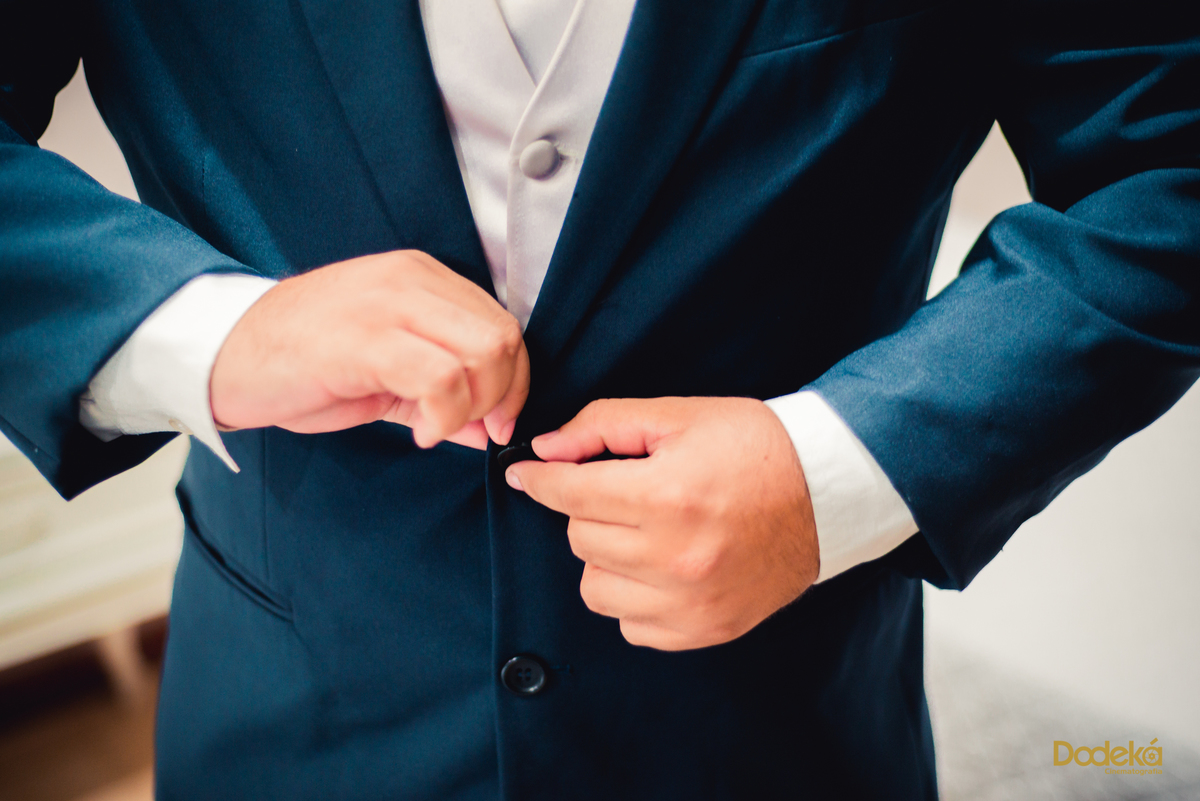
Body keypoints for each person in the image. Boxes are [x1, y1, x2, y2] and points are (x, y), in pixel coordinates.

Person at [1, 0, 1197, 798]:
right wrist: (204, 328)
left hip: (779, 729)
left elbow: (1171, 162)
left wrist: (840, 465)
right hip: (296, 707)